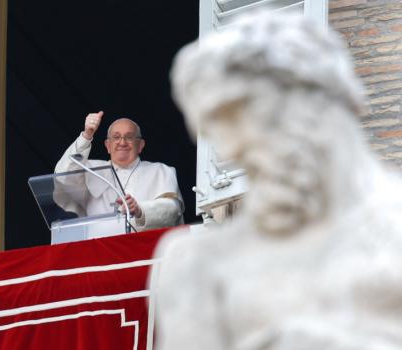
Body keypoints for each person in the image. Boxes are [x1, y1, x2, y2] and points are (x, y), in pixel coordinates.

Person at [154, 11, 402, 350]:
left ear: (319, 91)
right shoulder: (201, 267)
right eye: (214, 130)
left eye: (240, 113)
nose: (230, 147)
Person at [54, 112, 184, 238]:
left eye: (129, 137)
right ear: (107, 145)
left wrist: (140, 210)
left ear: (140, 145)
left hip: (145, 250)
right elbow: (62, 176)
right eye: (116, 137)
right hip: (98, 252)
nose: (122, 142)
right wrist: (87, 135)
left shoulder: (160, 170)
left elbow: (172, 210)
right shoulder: (91, 170)